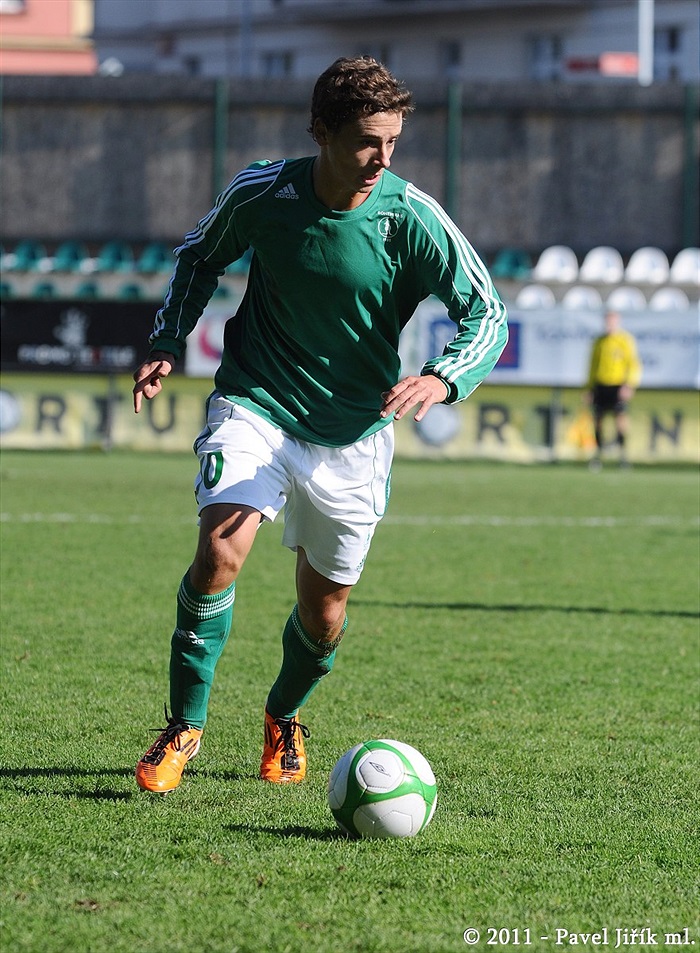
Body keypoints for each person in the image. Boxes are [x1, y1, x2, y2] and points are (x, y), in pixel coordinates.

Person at [132, 56, 508, 794]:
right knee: (219, 550)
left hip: (354, 433)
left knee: (325, 609)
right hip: (256, 401)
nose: (382, 158)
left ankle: (284, 715)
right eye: (368, 140)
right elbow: (198, 256)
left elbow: (487, 311)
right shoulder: (264, 190)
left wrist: (443, 374)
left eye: (393, 142)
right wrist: (167, 342)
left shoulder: (411, 216)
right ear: (322, 132)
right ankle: (184, 724)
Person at [585, 310, 642, 470]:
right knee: (597, 422)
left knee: (620, 420)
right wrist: (589, 388)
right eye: (607, 322)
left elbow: (633, 364)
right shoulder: (599, 342)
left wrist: (629, 385)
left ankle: (623, 455)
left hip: (618, 386)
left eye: (612, 322)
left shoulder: (625, 340)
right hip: (600, 385)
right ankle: (597, 455)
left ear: (618, 322)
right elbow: (592, 366)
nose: (609, 326)